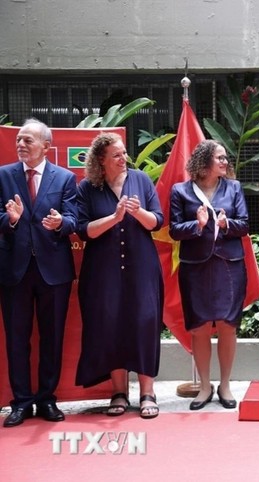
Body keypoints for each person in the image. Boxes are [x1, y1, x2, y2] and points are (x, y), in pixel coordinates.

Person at [74, 132, 164, 419]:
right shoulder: (88, 188)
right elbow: (82, 230)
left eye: (124, 153)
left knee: (145, 321)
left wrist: (138, 213)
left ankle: (147, 392)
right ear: (101, 160)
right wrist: (114, 218)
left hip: (142, 266)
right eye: (116, 155)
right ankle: (119, 392)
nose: (123, 158)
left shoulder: (141, 180)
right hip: (103, 271)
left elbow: (157, 221)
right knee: (110, 323)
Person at [0, 118, 77, 427]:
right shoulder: (3, 176)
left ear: (47, 145)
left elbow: (74, 219)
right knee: (16, 339)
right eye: (19, 139)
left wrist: (61, 224)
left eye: (28, 140)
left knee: (53, 337)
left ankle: (46, 398)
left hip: (53, 271)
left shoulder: (65, 178)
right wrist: (11, 220)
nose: (21, 144)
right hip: (14, 271)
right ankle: (21, 402)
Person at [169, 140, 249, 411]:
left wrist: (227, 224)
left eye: (226, 158)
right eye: (220, 158)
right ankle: (204, 386)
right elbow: (175, 230)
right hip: (195, 267)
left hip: (229, 266)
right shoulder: (180, 191)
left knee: (228, 325)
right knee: (200, 327)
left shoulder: (234, 188)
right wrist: (198, 224)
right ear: (204, 162)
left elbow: (245, 224)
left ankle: (225, 385)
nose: (225, 162)